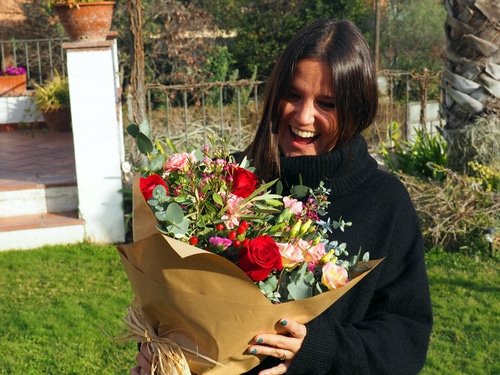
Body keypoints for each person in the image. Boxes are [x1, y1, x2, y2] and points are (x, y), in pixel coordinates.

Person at [131, 18, 433, 375]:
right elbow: (173, 302)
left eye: (327, 103)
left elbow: (405, 340)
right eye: (293, 95)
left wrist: (321, 351)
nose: (304, 116)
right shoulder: (223, 184)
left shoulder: (385, 204)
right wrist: (161, 356)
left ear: (357, 109)